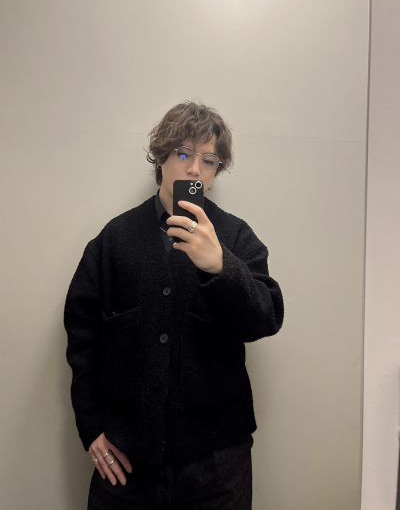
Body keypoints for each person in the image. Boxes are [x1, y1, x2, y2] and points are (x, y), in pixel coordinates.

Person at [64, 101, 284, 509]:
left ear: (216, 172)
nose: (194, 169)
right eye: (183, 154)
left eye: (209, 160)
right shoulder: (114, 240)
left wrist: (221, 267)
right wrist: (91, 425)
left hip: (217, 465)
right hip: (126, 461)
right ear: (162, 157)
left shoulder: (235, 237)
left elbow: (266, 318)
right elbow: (82, 337)